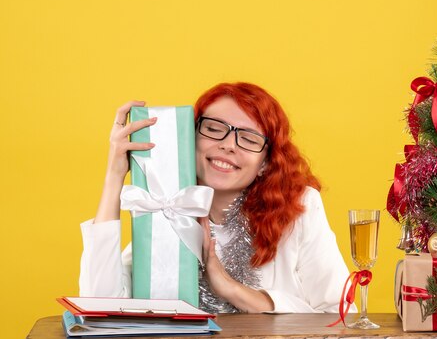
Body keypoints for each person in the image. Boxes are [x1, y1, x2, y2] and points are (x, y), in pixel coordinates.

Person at [79, 82, 351, 313]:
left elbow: (339, 314)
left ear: (266, 163)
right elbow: (100, 305)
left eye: (249, 138)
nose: (228, 144)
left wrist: (232, 289)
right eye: (214, 128)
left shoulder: (300, 206)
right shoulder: (168, 206)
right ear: (191, 138)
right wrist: (114, 178)